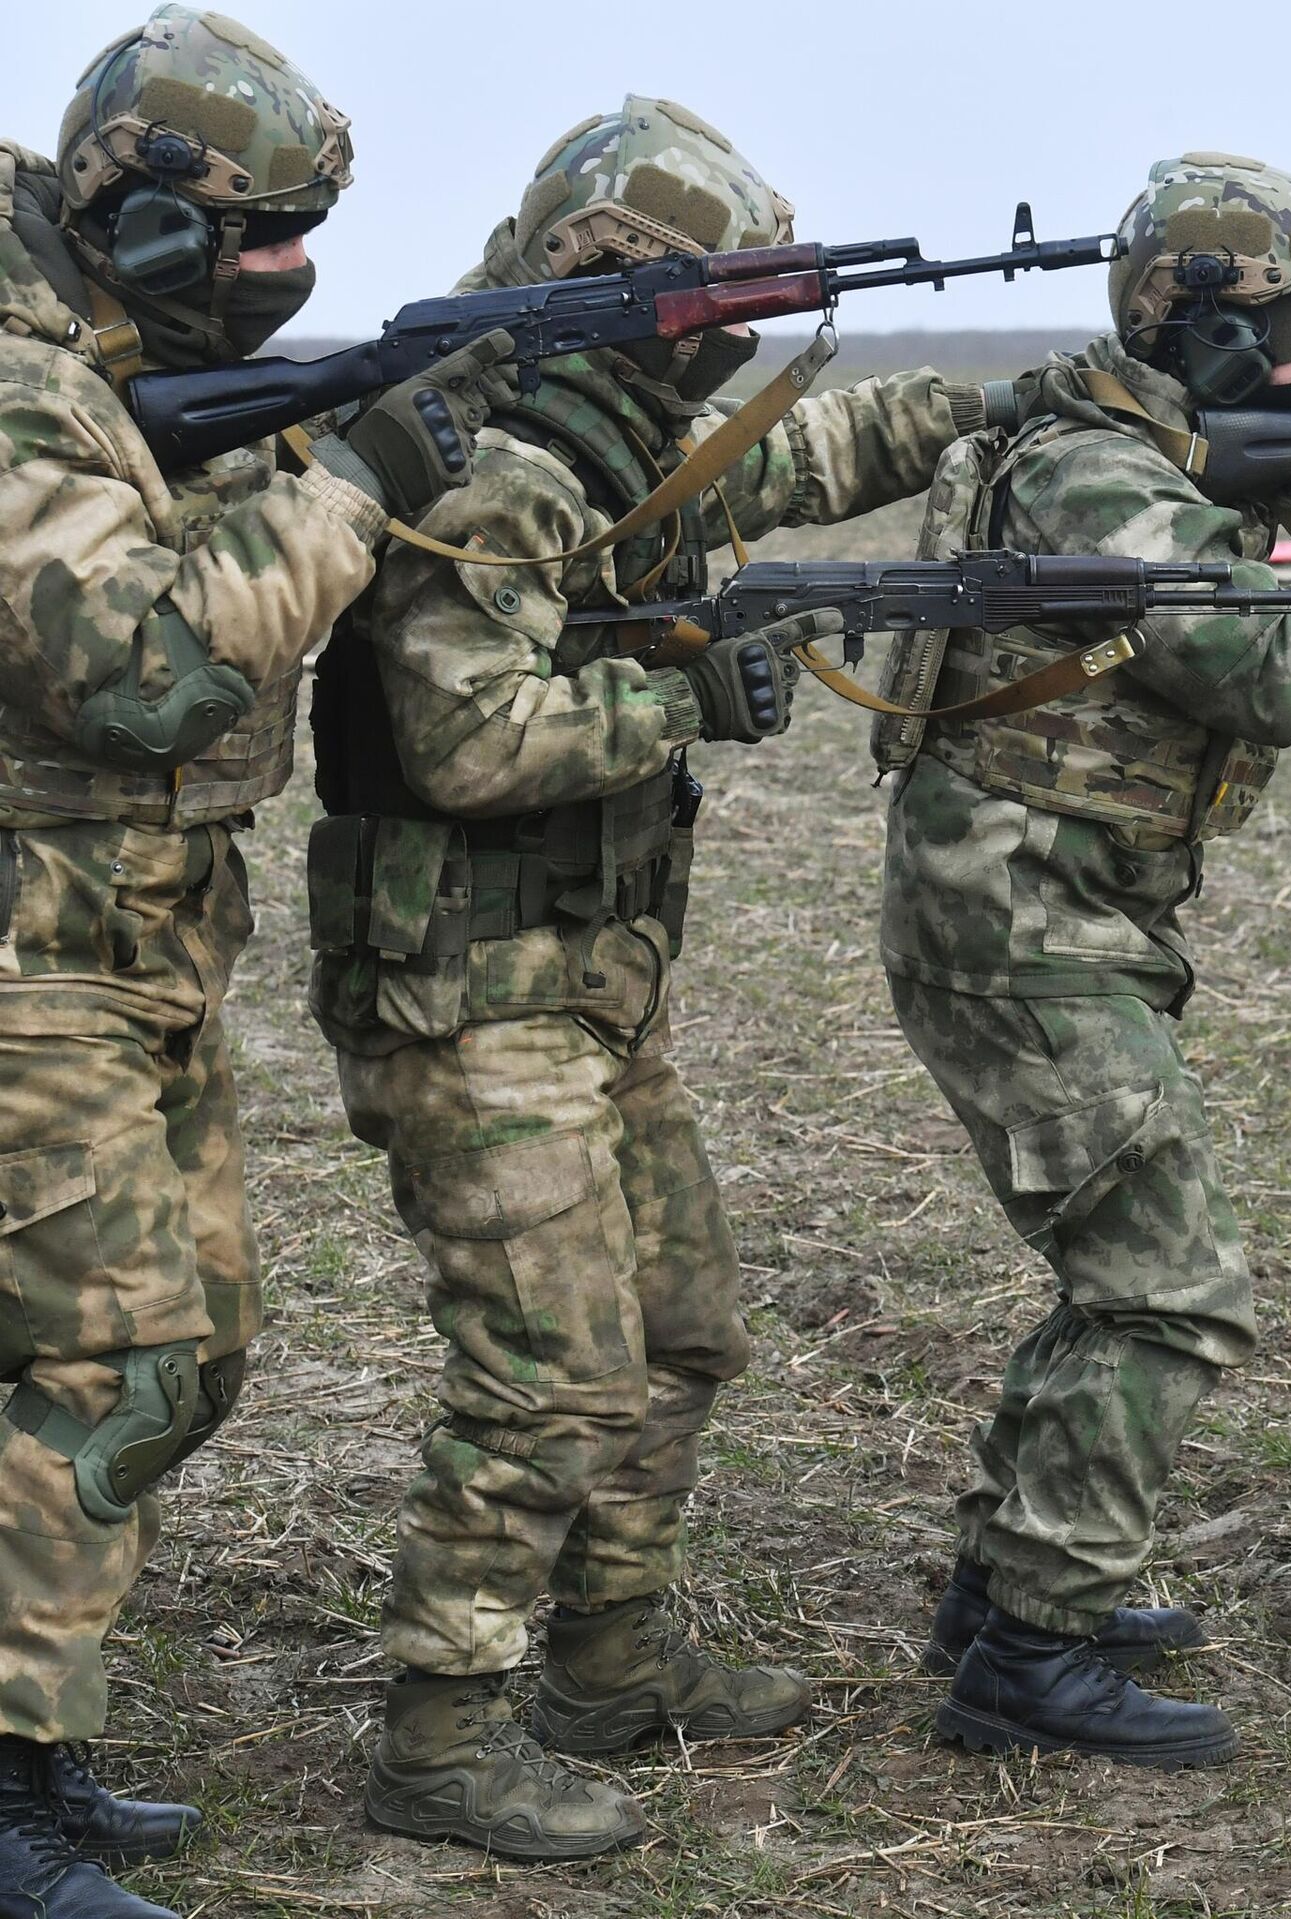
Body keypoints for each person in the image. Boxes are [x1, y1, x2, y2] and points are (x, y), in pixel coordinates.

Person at [305, 95, 1008, 1859]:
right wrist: (685, 692)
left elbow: (801, 459)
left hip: (597, 975)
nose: (734, 349)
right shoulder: (508, 467)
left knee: (681, 1335)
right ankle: (440, 1743)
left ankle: (607, 1662)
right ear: (617, 290)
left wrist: (996, 402)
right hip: (470, 990)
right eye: (719, 313)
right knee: (550, 1373)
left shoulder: (619, 441)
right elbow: (468, 740)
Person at [873, 152, 1291, 1768]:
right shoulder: (1096, 473)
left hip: (1063, 914)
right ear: (1201, 328)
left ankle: (1006, 1588)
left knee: (1119, 1268)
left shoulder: (1153, 440)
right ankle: (1031, 1661)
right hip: (1021, 926)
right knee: (1171, 1290)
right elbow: (1270, 670)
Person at [0, 10, 504, 1917]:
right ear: (137, 224)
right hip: (31, 951)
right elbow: (141, 674)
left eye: (307, 242)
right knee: (110, 1354)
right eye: (254, 241)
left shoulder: (110, 361)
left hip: (134, 948)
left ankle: (34, 1733)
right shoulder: (20, 389)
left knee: (191, 1352)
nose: (283, 275)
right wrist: (352, 478)